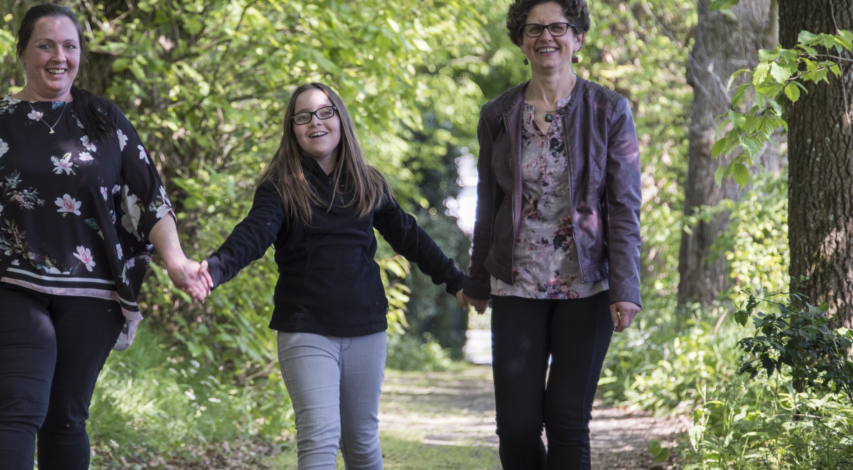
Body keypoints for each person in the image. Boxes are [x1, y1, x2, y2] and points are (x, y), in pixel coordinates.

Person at [0, 5, 208, 468]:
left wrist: (176, 260)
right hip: (9, 284)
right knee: (17, 411)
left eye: (70, 46)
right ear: (22, 53)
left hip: (91, 293)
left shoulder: (105, 120)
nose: (59, 57)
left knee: (66, 418)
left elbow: (150, 199)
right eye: (45, 45)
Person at [196, 83, 467, 470]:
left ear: (340, 118)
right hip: (307, 329)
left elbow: (412, 237)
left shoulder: (368, 183)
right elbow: (254, 234)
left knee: (361, 444)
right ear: (292, 129)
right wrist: (215, 269)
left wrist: (457, 282)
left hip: (366, 329)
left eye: (325, 112)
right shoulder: (281, 186)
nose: (315, 122)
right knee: (320, 437)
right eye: (303, 116)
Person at [459, 0, 643, 468]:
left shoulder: (608, 110)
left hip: (586, 284)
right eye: (534, 28)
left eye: (558, 27)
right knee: (517, 429)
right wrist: (477, 280)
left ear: (577, 38)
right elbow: (489, 205)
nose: (546, 37)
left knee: (566, 419)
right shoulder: (498, 115)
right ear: (521, 41)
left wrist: (626, 287)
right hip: (516, 283)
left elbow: (623, 206)